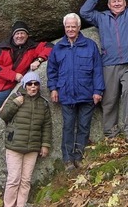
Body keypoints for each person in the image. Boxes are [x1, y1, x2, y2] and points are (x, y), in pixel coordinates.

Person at [79, 0, 128, 144]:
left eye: (120, 1)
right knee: (109, 99)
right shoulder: (101, 18)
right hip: (109, 64)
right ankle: (111, 133)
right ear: (109, 5)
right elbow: (84, 12)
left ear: (124, 3)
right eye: (114, 2)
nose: (117, 4)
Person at [47, 13, 104, 171]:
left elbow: (98, 70)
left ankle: (78, 157)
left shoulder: (90, 45)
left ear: (79, 27)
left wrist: (98, 91)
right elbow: (52, 71)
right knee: (68, 127)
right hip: (66, 94)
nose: (71, 29)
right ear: (64, 28)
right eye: (68, 26)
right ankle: (67, 160)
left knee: (84, 127)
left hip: (87, 94)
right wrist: (53, 89)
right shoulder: (58, 47)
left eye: (73, 26)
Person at [0, 21, 53, 122]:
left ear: (27, 35)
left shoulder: (32, 47)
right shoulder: (3, 47)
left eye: (22, 33)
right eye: (17, 33)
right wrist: (14, 75)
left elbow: (50, 46)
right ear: (13, 35)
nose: (20, 36)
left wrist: (39, 60)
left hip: (7, 88)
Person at [0, 71, 52, 207]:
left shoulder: (43, 103)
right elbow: (4, 116)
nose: (33, 87)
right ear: (24, 85)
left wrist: (45, 145)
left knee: (26, 180)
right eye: (29, 84)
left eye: (35, 84)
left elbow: (47, 125)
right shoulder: (15, 97)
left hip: (33, 148)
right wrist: (16, 104)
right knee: (13, 180)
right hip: (14, 145)